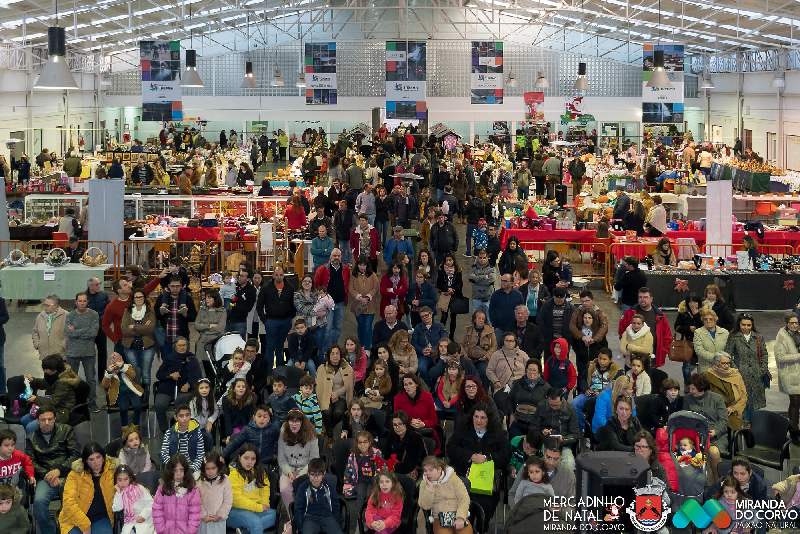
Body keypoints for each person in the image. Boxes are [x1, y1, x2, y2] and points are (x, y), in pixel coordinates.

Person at [446, 403, 510, 526]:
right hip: (463, 476)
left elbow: (506, 455)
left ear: (489, 419)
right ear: (472, 417)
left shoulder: (498, 433)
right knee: (457, 500)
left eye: (483, 418)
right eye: (476, 417)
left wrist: (487, 458)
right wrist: (470, 456)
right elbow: (451, 449)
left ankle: (481, 528)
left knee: (484, 505)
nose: (478, 421)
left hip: (487, 482)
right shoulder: (463, 429)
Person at [26, 403, 80, 534]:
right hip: (45, 478)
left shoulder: (67, 430)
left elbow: (76, 455)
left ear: (55, 419)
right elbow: (30, 461)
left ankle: (74, 527)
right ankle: (47, 531)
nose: (47, 423)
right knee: (38, 502)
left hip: (67, 473)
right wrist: (47, 475)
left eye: (50, 419)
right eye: (43, 420)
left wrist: (59, 471)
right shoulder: (31, 438)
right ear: (37, 421)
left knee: (80, 496)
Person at [59, 442, 116, 534]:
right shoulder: (75, 474)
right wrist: (84, 525)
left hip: (101, 517)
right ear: (86, 461)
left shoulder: (112, 470)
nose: (96, 462)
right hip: (75, 518)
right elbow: (68, 503)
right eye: (91, 459)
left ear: (103, 457)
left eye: (98, 457)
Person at [724, 313, 769, 425]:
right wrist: (736, 370)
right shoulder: (734, 336)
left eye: (748, 325)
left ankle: (754, 424)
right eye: (743, 324)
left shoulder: (758, 337)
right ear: (739, 324)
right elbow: (728, 355)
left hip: (756, 374)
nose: (746, 327)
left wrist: (762, 369)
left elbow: (764, 353)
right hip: (741, 375)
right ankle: (744, 423)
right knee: (743, 399)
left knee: (755, 400)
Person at [684, 373, 730, 480]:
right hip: (695, 435)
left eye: (693, 389)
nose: (690, 391)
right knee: (686, 451)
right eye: (690, 388)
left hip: (715, 435)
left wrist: (715, 431)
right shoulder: (687, 399)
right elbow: (686, 418)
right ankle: (695, 483)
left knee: (714, 453)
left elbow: (723, 420)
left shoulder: (717, 399)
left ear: (701, 388)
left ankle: (718, 482)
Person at [226, 443, 277, 534]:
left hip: (256, 510)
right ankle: (251, 528)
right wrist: (258, 507)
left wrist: (264, 504)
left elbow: (265, 488)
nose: (249, 462)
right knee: (255, 522)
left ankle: (244, 531)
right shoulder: (233, 474)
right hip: (236, 510)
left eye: (253, 459)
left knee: (275, 515)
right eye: (246, 458)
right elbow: (237, 499)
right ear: (239, 457)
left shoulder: (260, 471)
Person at [21, 355, 80, 433]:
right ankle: (37, 440)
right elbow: (44, 383)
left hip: (61, 411)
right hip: (51, 408)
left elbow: (54, 402)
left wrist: (35, 399)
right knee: (24, 420)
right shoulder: (53, 376)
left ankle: (39, 443)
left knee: (31, 427)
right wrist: (33, 380)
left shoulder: (63, 383)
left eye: (46, 369)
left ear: (54, 370)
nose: (44, 371)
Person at [278, 410, 320, 517]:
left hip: (306, 469)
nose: (294, 424)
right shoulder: (283, 433)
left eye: (297, 421)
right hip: (289, 469)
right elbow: (281, 459)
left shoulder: (311, 434)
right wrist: (289, 473)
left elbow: (314, 459)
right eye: (291, 421)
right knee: (284, 489)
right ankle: (292, 517)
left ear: (302, 422)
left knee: (307, 489)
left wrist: (301, 474)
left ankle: (306, 515)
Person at [153, 339, 202, 432]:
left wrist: (188, 384)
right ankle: (165, 429)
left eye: (184, 345)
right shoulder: (169, 358)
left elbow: (197, 376)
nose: (182, 347)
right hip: (167, 387)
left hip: (184, 388)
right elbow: (159, 374)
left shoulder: (192, 359)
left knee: (182, 405)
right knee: (159, 405)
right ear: (175, 347)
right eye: (179, 345)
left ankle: (180, 429)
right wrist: (170, 375)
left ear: (187, 346)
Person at [572, 348, 623, 432]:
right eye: (600, 358)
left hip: (606, 397)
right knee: (575, 404)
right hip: (589, 394)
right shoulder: (591, 367)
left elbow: (616, 387)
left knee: (603, 411)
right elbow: (582, 378)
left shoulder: (617, 371)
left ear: (610, 360)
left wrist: (602, 393)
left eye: (604, 359)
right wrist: (585, 389)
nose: (601, 361)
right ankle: (583, 429)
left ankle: (602, 430)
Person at [618, 287, 671, 368]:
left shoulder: (660, 315)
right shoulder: (630, 313)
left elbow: (667, 335)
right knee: (631, 379)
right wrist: (626, 345)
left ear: (651, 299)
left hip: (651, 356)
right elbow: (622, 329)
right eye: (640, 297)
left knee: (649, 380)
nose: (642, 299)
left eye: (645, 297)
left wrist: (663, 351)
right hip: (632, 356)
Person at [417, 456, 472, 534]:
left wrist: (461, 517)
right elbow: (425, 506)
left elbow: (464, 498)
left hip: (458, 514)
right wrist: (429, 489)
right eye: (425, 470)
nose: (427, 473)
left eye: (431, 470)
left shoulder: (453, 478)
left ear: (439, 469)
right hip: (439, 518)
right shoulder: (424, 483)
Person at [257, 266, 296, 374]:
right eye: (277, 275)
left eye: (281, 275)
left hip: (285, 321)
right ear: (273, 275)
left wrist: (290, 317)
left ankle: (280, 372)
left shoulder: (290, 288)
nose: (279, 277)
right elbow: (259, 306)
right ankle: (268, 373)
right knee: (270, 346)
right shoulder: (266, 288)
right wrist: (265, 320)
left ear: (284, 275)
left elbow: (293, 304)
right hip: (271, 321)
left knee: (280, 346)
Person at [151, 454, 202, 534]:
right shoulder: (163, 488)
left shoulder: (192, 489)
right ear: (170, 471)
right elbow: (157, 510)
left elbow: (195, 513)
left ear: (185, 470)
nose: (178, 474)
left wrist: (190, 531)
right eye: (175, 470)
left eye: (181, 470)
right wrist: (161, 529)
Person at [569, 291, 609, 391]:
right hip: (581, 351)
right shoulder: (577, 311)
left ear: (593, 301)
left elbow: (604, 327)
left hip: (595, 351)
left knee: (595, 375)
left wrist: (593, 340)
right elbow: (572, 326)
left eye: (587, 301)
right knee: (582, 374)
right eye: (582, 301)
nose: (585, 303)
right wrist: (582, 337)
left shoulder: (599, 312)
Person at [316, 345, 355, 446]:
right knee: (327, 412)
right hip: (327, 396)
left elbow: (349, 385)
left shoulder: (347, 368)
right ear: (328, 355)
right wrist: (329, 394)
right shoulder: (322, 368)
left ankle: (328, 428)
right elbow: (320, 385)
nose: (335, 356)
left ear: (341, 355)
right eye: (332, 353)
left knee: (338, 413)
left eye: (337, 353)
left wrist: (336, 394)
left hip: (341, 396)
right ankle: (330, 436)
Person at [294, 458, 343, 534]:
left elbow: (335, 505)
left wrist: (337, 522)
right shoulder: (303, 487)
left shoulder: (329, 487)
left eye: (318, 475)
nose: (315, 478)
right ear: (308, 474)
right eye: (312, 474)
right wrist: (300, 527)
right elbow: (298, 508)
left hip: (327, 517)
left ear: (324, 474)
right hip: (309, 518)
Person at [314, 248, 350, 352]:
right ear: (330, 257)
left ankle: (334, 349)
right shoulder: (322, 269)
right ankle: (326, 350)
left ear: (341, 257)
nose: (336, 258)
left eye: (338, 256)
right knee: (327, 329)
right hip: (326, 306)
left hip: (340, 303)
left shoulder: (346, 269)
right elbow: (316, 285)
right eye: (334, 256)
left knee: (338, 328)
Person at [102, 351, 144, 436]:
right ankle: (125, 427)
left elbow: (133, 375)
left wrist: (123, 367)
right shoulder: (109, 373)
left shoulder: (127, 368)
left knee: (138, 406)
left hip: (132, 391)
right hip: (119, 393)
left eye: (118, 368)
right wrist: (109, 373)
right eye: (115, 368)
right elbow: (104, 385)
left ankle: (135, 425)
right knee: (123, 408)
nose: (117, 370)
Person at [704, 351, 747, 433]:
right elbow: (704, 397)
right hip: (714, 413)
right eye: (724, 363)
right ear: (716, 363)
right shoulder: (707, 376)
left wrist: (733, 408)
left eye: (728, 363)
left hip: (732, 412)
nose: (727, 366)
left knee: (732, 427)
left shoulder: (735, 375)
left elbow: (743, 396)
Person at [674, 293, 705, 391]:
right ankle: (687, 385)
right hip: (687, 343)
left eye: (695, 302)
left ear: (699, 303)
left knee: (701, 366)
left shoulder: (704, 313)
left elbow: (706, 326)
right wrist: (688, 328)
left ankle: (700, 386)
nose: (692, 304)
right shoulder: (683, 314)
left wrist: (697, 316)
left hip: (701, 343)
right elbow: (677, 327)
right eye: (690, 302)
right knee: (686, 367)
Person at [196, 452, 232, 534]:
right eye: (207, 469)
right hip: (204, 522)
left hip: (219, 521)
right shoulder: (199, 482)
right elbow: (196, 501)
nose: (210, 472)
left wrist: (220, 515)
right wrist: (203, 515)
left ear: (218, 467)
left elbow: (228, 500)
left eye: (213, 468)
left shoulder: (225, 480)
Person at [776, 312, 800, 436]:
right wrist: (798, 356)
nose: (795, 325)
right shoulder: (782, 337)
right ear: (786, 323)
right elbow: (780, 357)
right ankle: (793, 429)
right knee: (795, 401)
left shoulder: (797, 334)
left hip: (798, 374)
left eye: (796, 322)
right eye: (792, 323)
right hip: (790, 375)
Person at [384, 411, 427, 479]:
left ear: (406, 424)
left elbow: (409, 466)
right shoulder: (392, 434)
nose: (397, 427)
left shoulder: (415, 438)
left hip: (413, 469)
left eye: (400, 424)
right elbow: (387, 455)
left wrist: (393, 467)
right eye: (394, 425)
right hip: (396, 467)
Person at [410, 307, 447, 387]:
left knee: (443, 368)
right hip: (424, 355)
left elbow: (445, 340)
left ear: (431, 315)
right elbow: (413, 343)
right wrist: (422, 350)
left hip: (438, 354)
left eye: (426, 315)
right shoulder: (418, 328)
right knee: (420, 368)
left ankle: (440, 385)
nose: (424, 318)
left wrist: (433, 349)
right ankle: (432, 385)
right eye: (422, 316)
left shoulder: (440, 326)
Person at [350, 256, 380, 352]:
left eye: (364, 265)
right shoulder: (353, 275)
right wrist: (359, 297)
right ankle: (361, 345)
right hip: (358, 305)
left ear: (367, 266)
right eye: (360, 265)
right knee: (360, 325)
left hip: (370, 306)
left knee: (367, 326)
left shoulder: (372, 275)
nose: (362, 267)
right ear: (357, 265)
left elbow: (375, 288)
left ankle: (367, 347)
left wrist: (368, 297)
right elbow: (351, 288)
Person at [489, 274, 525, 345]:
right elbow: (491, 311)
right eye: (502, 280)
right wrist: (495, 326)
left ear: (511, 283)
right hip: (499, 329)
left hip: (514, 329)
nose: (502, 282)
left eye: (505, 281)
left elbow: (522, 311)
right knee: (499, 350)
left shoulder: (518, 295)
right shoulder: (495, 294)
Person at [86, 277, 110, 383]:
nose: (99, 286)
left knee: (102, 352)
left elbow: (108, 310)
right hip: (88, 329)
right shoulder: (83, 297)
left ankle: (102, 375)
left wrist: (99, 321)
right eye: (97, 284)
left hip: (101, 328)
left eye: (99, 284)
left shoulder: (103, 296)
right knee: (89, 353)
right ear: (90, 286)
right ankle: (90, 375)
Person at [537, 287, 575, 352]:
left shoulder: (571, 308)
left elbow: (574, 323)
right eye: (556, 297)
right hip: (549, 340)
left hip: (564, 340)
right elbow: (540, 319)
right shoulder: (546, 306)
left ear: (565, 296)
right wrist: (546, 333)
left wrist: (569, 335)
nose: (558, 299)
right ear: (553, 296)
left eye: (561, 298)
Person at [693, 309, 730, 374]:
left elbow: (729, 349)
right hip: (705, 369)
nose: (708, 321)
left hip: (723, 368)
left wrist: (722, 361)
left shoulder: (725, 332)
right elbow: (699, 350)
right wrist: (717, 359)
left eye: (711, 319)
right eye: (705, 319)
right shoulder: (698, 332)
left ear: (715, 319)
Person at [32, 294, 68, 360]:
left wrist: (64, 345)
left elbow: (69, 333)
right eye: (45, 305)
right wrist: (37, 344)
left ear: (56, 305)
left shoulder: (66, 316)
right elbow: (35, 331)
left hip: (60, 356)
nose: (45, 307)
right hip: (44, 355)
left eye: (48, 305)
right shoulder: (40, 317)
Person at [436, 253, 464, 339]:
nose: (448, 262)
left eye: (450, 260)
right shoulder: (441, 270)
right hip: (445, 295)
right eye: (447, 260)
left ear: (453, 261)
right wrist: (447, 289)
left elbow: (460, 284)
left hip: (454, 296)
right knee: (444, 316)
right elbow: (439, 283)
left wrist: (452, 290)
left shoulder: (458, 270)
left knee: (453, 316)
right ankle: (441, 333)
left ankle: (452, 335)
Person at [194, 289, 226, 362]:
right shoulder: (202, 310)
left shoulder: (222, 311)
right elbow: (196, 326)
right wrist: (209, 326)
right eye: (205, 298)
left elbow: (220, 328)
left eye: (209, 298)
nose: (206, 300)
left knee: (214, 366)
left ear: (215, 298)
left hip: (216, 342)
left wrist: (204, 328)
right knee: (200, 365)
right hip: (202, 342)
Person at [468, 251, 494, 322]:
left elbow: (490, 280)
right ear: (477, 258)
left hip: (488, 299)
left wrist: (476, 278)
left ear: (487, 258)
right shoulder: (473, 268)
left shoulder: (492, 268)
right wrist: (484, 277)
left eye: (484, 258)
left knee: (489, 320)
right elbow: (470, 278)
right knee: (475, 320)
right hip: (476, 298)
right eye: (480, 258)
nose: (482, 259)